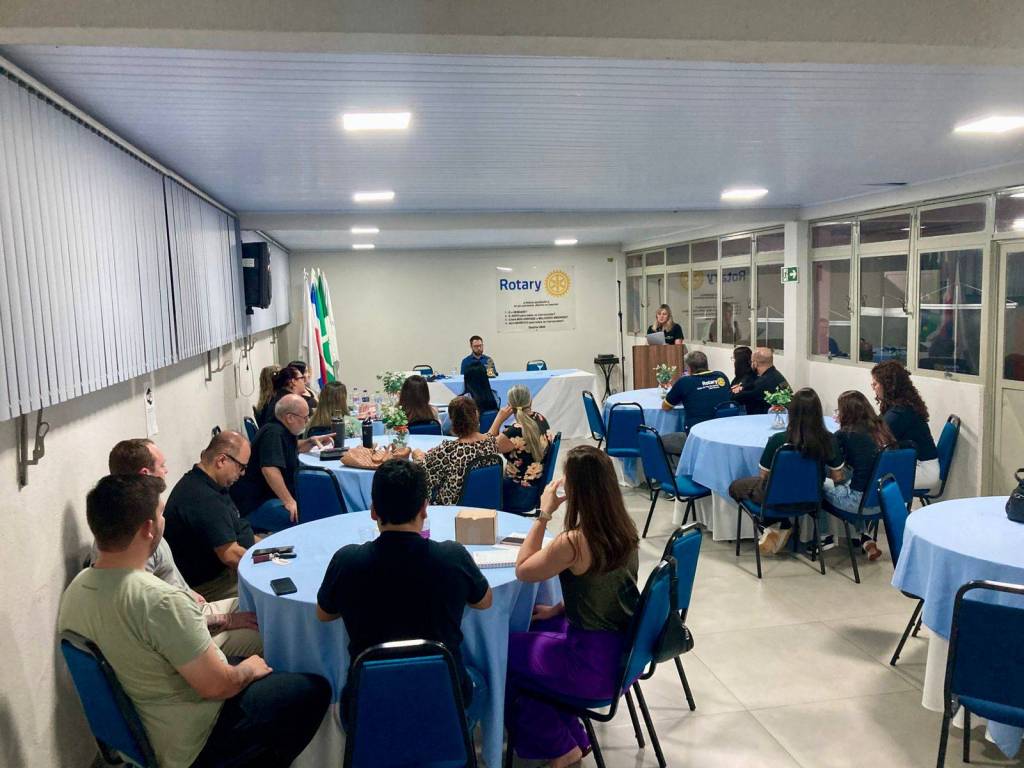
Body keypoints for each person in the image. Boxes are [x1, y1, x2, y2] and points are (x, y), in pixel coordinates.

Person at [59, 474, 330, 768]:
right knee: (313, 690)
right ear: (148, 529)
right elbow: (219, 686)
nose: (164, 521)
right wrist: (248, 669)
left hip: (140, 729)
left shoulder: (77, 589)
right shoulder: (160, 600)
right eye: (160, 514)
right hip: (191, 738)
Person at [316, 459, 493, 723]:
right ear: (424, 508)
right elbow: (485, 601)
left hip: (368, 700)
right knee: (480, 681)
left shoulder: (347, 561)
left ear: (373, 511)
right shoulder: (452, 556)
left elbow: (324, 614)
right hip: (443, 695)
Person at [506, 446, 640, 767]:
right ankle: (575, 736)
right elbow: (603, 587)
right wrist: (557, 609)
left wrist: (544, 513)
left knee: (501, 652)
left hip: (590, 667)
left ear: (576, 490)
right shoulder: (624, 529)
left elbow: (523, 570)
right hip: (624, 656)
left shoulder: (574, 542)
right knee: (541, 625)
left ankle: (558, 745)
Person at [102, 439, 262, 657]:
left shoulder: (139, 531)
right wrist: (227, 620)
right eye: (162, 466)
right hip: (191, 629)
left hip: (193, 609)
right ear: (145, 474)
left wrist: (189, 593)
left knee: (266, 611)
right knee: (273, 632)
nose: (167, 471)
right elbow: (163, 624)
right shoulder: (133, 545)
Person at [729, 388, 844, 555]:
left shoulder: (778, 441)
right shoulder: (828, 440)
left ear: (792, 412)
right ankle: (780, 526)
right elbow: (837, 476)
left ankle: (775, 525)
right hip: (812, 498)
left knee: (735, 487)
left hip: (775, 498)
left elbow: (763, 475)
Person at [163, 432, 256, 601]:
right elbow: (231, 555)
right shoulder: (202, 498)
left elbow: (238, 528)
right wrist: (269, 564)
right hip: (213, 584)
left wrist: (272, 550)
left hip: (227, 569)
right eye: (241, 467)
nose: (242, 473)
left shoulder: (209, 483)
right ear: (221, 460)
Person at [231, 394, 332, 533]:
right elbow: (269, 469)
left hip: (265, 496)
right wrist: (288, 501)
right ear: (290, 418)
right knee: (307, 518)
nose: (307, 421)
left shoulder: (280, 429)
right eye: (305, 417)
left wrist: (310, 441)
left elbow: (291, 448)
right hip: (255, 503)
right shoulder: (273, 433)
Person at [826, 390, 897, 561]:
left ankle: (822, 538)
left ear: (845, 413)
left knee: (818, 486)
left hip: (859, 504)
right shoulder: (882, 430)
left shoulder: (844, 434)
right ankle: (865, 538)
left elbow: (836, 469)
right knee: (854, 482)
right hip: (885, 500)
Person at [870, 360, 940, 493]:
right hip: (915, 463)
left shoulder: (900, 413)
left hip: (923, 471)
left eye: (876, 383)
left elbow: (875, 437)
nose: (873, 387)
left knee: (870, 477)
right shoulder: (900, 405)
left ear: (888, 386)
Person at [413, 396, 499, 505]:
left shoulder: (449, 450)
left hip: (453, 507)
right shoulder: (491, 443)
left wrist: (418, 458)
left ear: (451, 420)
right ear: (476, 414)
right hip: (486, 503)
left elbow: (421, 474)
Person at [487, 384, 553, 513]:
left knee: (482, 485)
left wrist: (498, 419)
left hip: (517, 493)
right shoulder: (540, 418)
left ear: (510, 405)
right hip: (534, 489)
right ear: (530, 401)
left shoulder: (514, 432)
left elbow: (486, 447)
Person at [659, 350, 732, 463]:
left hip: (696, 436)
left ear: (689, 368)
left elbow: (666, 406)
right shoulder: (721, 377)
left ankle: (677, 472)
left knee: (658, 442)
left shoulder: (685, 382)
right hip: (723, 434)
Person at [731, 347, 789, 415]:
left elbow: (736, 398)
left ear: (755, 363)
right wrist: (743, 388)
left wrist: (738, 390)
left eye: (752, 361)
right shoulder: (777, 375)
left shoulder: (762, 382)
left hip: (765, 418)